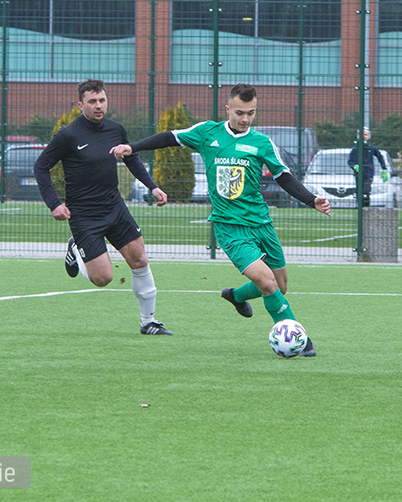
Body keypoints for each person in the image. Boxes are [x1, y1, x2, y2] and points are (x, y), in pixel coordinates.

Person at [110, 83, 330, 356]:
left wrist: (312, 200)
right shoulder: (207, 133)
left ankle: (235, 296)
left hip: (262, 224)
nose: (245, 119)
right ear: (228, 109)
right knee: (269, 284)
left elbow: (283, 176)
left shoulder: (262, 142)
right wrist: (132, 148)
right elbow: (169, 137)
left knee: (281, 285)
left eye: (251, 113)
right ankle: (295, 335)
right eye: (239, 112)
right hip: (230, 227)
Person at [33, 79, 172, 336]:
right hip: (84, 215)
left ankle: (148, 321)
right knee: (102, 278)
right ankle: (75, 248)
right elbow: (40, 167)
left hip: (114, 207)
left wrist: (153, 186)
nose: (99, 106)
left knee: (140, 258)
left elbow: (131, 158)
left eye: (102, 100)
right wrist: (54, 204)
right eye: (92, 102)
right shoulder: (67, 135)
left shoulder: (115, 130)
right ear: (80, 105)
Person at [348, 127, 388, 207]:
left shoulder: (371, 147)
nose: (364, 136)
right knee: (359, 190)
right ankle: (360, 207)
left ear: (369, 136)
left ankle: (366, 206)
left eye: (366, 134)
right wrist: (354, 166)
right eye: (361, 134)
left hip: (368, 173)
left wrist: (384, 169)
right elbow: (350, 161)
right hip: (358, 174)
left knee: (366, 190)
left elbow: (380, 157)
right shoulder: (356, 148)